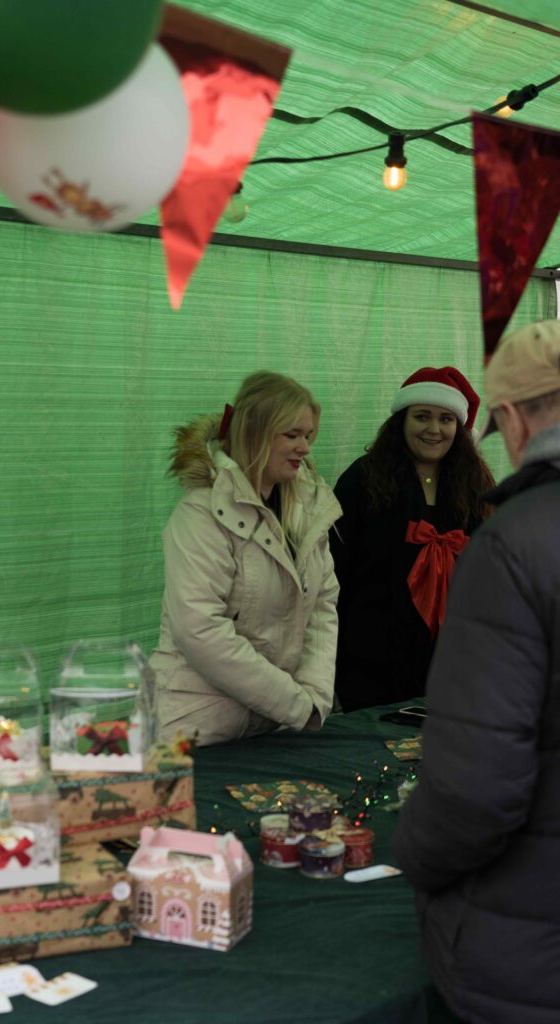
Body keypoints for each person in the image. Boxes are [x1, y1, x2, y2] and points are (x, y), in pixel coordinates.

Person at [394, 320, 560, 1024]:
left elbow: (475, 788)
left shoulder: (515, 540)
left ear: (513, 417)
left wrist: (413, 854)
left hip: (529, 942)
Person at [150, 370, 340, 747]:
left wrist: (314, 697)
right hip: (195, 730)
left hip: (271, 729)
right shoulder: (200, 514)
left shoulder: (306, 511)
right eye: (292, 435)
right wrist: (295, 705)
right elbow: (200, 629)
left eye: (308, 436)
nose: (304, 448)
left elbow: (323, 604)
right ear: (255, 433)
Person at [329, 366, 495, 711]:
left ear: (458, 427)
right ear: (401, 421)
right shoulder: (361, 479)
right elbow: (332, 571)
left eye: (445, 419)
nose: (434, 429)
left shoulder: (476, 485)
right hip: (371, 663)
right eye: (422, 416)